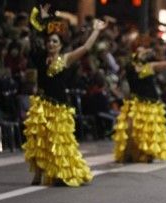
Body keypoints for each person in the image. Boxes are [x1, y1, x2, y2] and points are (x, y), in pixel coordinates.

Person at [23, 4, 106, 186]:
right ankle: (38, 173)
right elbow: (33, 38)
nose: (51, 44)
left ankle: (62, 171)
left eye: (55, 42)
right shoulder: (40, 57)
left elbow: (85, 47)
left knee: (59, 142)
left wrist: (96, 31)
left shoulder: (66, 58)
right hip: (41, 105)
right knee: (38, 141)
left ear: (60, 45)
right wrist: (42, 20)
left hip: (60, 107)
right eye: (49, 41)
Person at [111, 37, 166, 163]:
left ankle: (147, 153)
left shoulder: (150, 66)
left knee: (148, 131)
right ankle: (130, 153)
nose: (143, 53)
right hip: (135, 103)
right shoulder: (130, 67)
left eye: (144, 52)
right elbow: (124, 73)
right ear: (135, 53)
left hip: (151, 103)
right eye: (140, 51)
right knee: (130, 130)